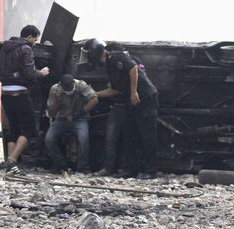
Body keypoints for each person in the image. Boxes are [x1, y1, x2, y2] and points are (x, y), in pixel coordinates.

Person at [86, 40, 159, 179]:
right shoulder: (108, 64)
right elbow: (115, 89)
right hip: (131, 102)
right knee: (130, 135)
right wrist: (95, 93)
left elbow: (133, 68)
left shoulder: (116, 56)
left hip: (145, 98)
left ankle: (151, 171)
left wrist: (133, 92)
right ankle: (130, 169)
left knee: (148, 136)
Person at [0, 25, 50, 175]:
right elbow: (30, 74)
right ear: (30, 37)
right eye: (35, 39)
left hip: (5, 93)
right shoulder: (26, 49)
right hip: (20, 93)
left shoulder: (4, 47)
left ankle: (10, 164)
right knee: (30, 130)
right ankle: (13, 160)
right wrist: (42, 73)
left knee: (14, 128)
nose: (35, 42)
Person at [45, 74, 98, 173]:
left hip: (79, 119)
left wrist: (77, 114)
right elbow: (51, 112)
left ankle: (83, 166)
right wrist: (58, 100)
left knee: (83, 139)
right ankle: (60, 163)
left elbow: (94, 99)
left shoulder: (81, 85)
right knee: (49, 138)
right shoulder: (55, 89)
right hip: (61, 119)